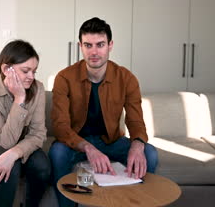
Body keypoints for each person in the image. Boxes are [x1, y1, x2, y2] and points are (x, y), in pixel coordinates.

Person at [49, 17, 159, 207]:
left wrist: (138, 145)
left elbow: (136, 122)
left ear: (110, 45)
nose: (94, 52)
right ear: (80, 46)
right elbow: (60, 127)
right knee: (57, 152)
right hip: (75, 143)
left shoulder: (126, 78)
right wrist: (89, 148)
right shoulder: (64, 78)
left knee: (150, 153)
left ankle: (135, 202)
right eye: (88, 45)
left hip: (112, 141)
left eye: (100, 45)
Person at [0, 40, 50, 207]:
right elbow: (4, 141)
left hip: (18, 144)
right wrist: (19, 99)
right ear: (6, 69)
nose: (31, 77)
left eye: (34, 71)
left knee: (43, 166)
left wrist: (15, 152)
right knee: (11, 167)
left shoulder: (38, 88)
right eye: (26, 71)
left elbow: (38, 133)